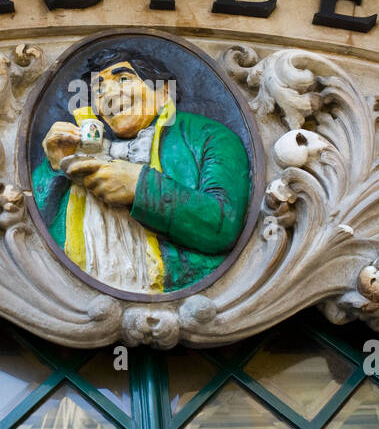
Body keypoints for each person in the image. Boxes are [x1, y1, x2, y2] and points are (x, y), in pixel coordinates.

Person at [32, 49, 251, 293]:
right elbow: (32, 231)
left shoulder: (208, 137)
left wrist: (141, 188)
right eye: (99, 88)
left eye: (124, 79)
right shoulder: (81, 150)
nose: (109, 95)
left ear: (163, 93)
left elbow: (223, 224)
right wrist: (55, 169)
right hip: (72, 295)